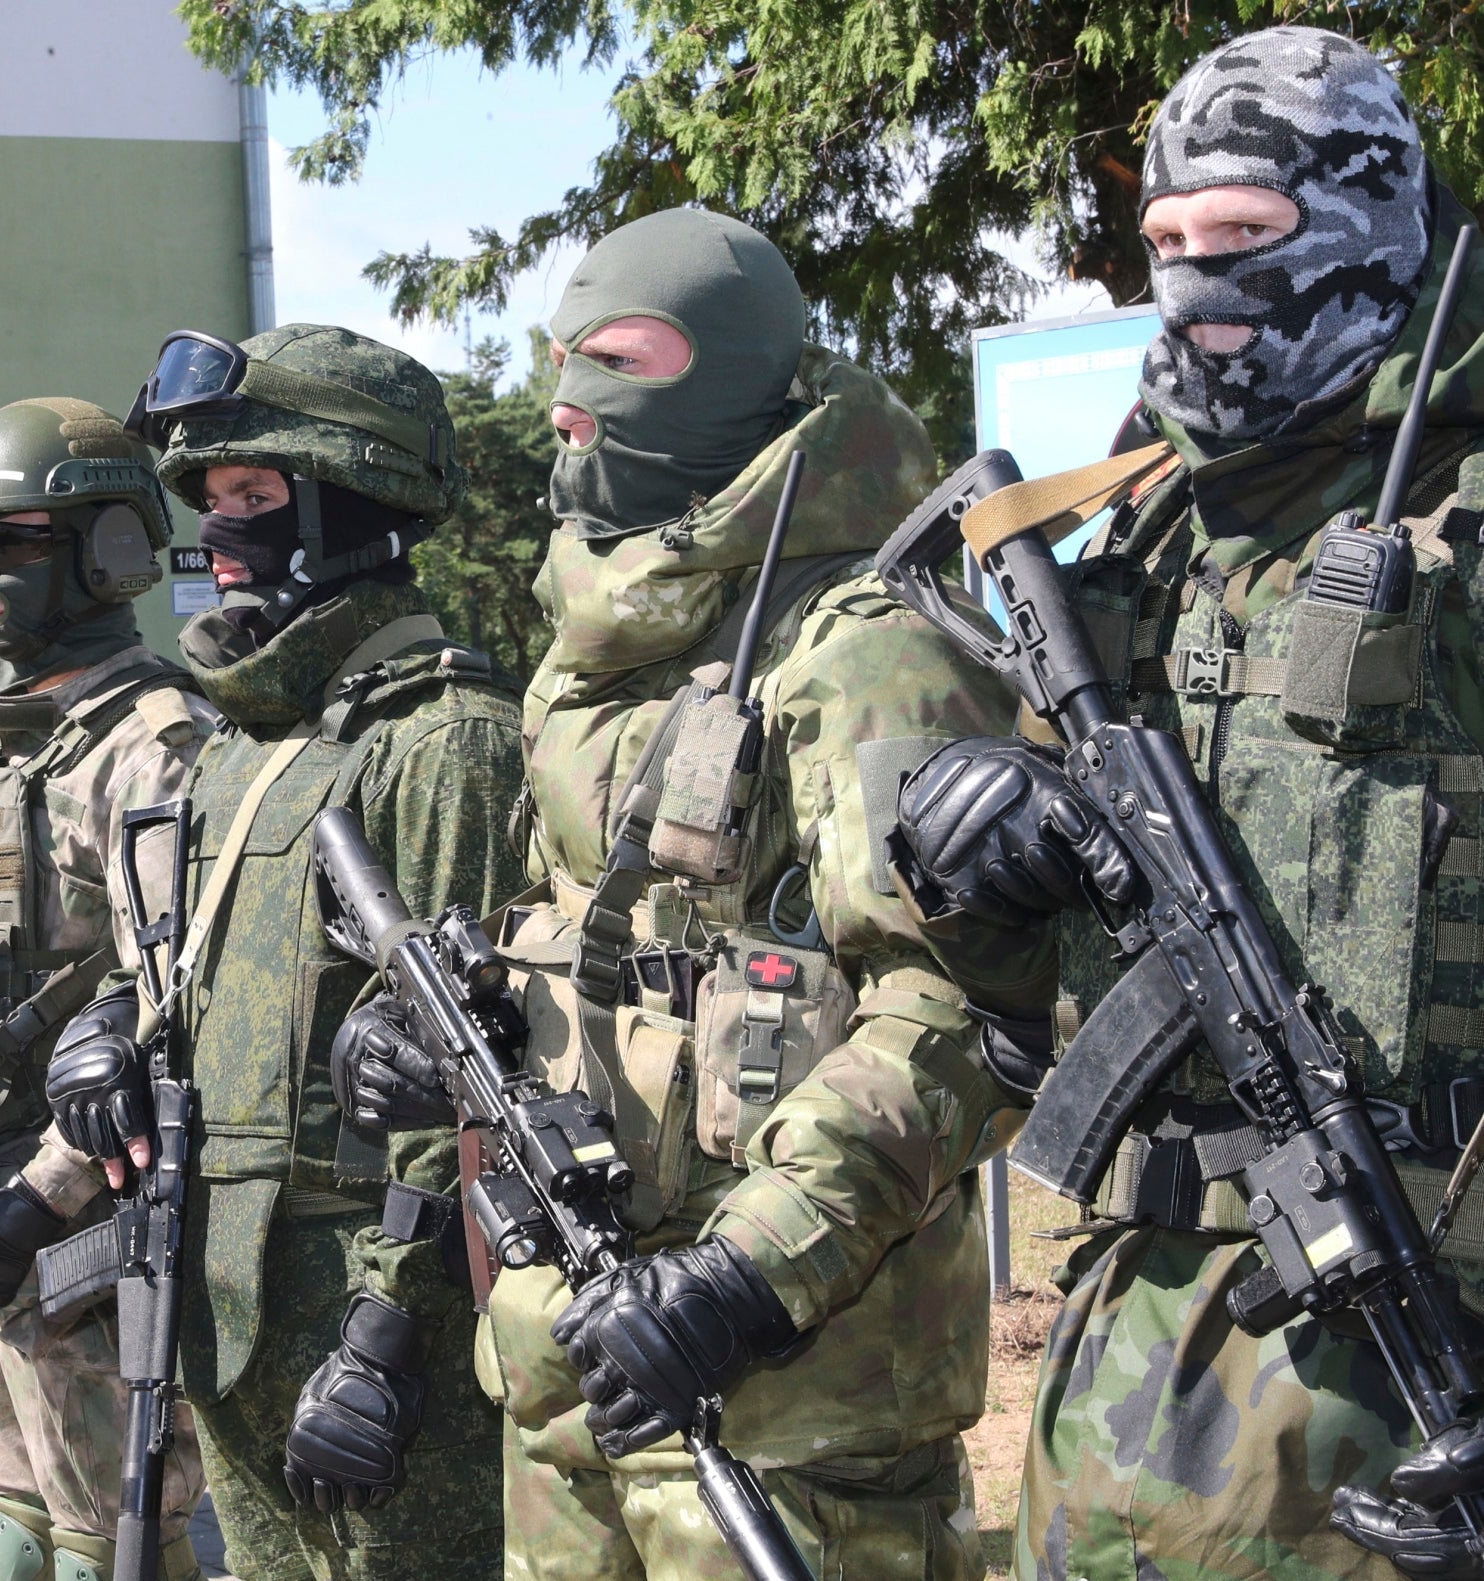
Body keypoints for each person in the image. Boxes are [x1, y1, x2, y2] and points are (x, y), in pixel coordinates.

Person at [891, 27, 1484, 1581]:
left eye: (1245, 235)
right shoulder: (1136, 533)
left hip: (1412, 1383)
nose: (1197, 281)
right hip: (1122, 1383)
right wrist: (988, 861)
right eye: (1165, 242)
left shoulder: (1466, 533)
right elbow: (1028, 1030)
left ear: (1367, 224)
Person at [379, 208, 1042, 1581]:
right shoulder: (592, 651)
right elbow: (574, 940)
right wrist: (434, 1035)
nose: (574, 403)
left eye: (623, 359)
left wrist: (746, 1276)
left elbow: (960, 1017)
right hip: (571, 1375)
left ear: (733, 379)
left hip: (794, 1413)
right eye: (563, 360)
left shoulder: (863, 652)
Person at [43, 324, 526, 1581]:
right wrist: (109, 1030)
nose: (217, 532)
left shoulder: (442, 742)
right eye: (209, 498)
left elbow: (461, 1082)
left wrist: (388, 1334)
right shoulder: (246, 745)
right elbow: (175, 964)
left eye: (253, 497)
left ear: (350, 506)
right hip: (225, 1301)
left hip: (370, 1320)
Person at [0, 397, 214, 1581]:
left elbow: (172, 1016)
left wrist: (37, 1201)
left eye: (15, 541)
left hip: (78, 1219)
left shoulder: (156, 742)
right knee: (17, 1523)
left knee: (104, 1540)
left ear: (110, 550)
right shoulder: (0, 730)